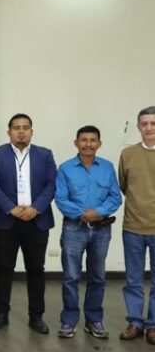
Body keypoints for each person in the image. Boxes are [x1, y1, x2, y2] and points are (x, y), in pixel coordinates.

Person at [0, 113, 57, 334]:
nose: (21, 132)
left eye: (26, 127)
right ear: (9, 132)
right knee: (4, 268)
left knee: (36, 269)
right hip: (5, 220)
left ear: (32, 131)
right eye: (16, 128)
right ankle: (1, 314)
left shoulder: (45, 154)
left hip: (37, 220)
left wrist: (36, 208)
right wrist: (11, 208)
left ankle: (36, 317)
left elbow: (51, 184)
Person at [55, 125, 121, 339]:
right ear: (76, 143)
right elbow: (61, 199)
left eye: (93, 140)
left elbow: (115, 197)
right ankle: (69, 320)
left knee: (98, 277)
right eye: (83, 140)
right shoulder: (65, 168)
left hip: (101, 230)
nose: (88, 144)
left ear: (99, 144)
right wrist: (83, 214)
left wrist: (98, 213)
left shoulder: (107, 167)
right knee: (71, 276)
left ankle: (94, 320)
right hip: (74, 228)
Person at [118, 106, 155, 344]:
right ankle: (135, 322)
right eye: (145, 124)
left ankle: (153, 325)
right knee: (133, 279)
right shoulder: (128, 154)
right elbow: (124, 185)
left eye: (153, 123)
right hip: (133, 227)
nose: (149, 128)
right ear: (139, 126)